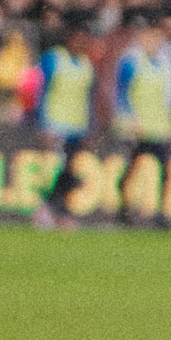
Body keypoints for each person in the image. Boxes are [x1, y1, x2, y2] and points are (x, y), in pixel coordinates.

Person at [111, 10, 171, 224]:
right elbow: (121, 94)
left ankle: (160, 213)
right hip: (137, 126)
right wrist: (128, 121)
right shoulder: (131, 61)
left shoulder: (164, 63)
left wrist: (170, 124)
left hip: (158, 126)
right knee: (132, 169)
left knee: (165, 170)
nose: (152, 42)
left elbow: (168, 97)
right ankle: (124, 208)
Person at [31, 24, 100, 226]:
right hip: (55, 125)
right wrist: (42, 124)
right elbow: (40, 92)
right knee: (56, 171)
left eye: (84, 39)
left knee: (69, 172)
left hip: (77, 127)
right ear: (68, 38)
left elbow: (89, 99)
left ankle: (56, 209)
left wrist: (90, 128)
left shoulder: (88, 64)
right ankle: (48, 209)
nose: (81, 43)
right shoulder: (53, 59)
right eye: (77, 38)